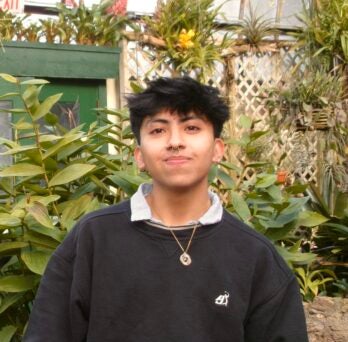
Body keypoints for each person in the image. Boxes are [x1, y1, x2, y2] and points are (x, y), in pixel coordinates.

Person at [24, 77, 308, 342]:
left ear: (218, 149)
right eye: (158, 130)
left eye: (192, 128)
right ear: (139, 156)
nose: (175, 141)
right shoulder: (92, 239)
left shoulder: (255, 257)